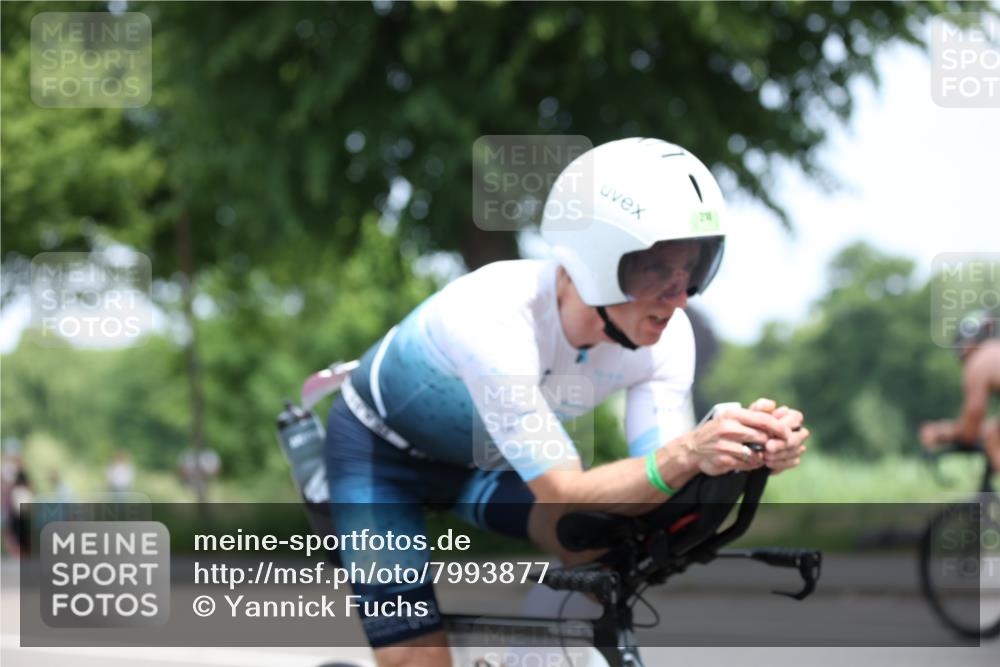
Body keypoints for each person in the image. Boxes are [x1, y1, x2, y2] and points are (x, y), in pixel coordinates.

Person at [323, 137, 810, 667]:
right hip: (379, 457)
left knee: (610, 546)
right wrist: (692, 451)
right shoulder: (494, 317)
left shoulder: (667, 338)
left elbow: (667, 478)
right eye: (659, 270)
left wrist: (742, 447)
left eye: (695, 268)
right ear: (597, 262)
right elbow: (565, 493)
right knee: (416, 658)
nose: (681, 296)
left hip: (483, 458)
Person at [920, 309, 1000, 473]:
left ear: (968, 343)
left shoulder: (979, 362)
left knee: (994, 440)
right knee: (994, 432)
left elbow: (970, 431)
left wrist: (943, 432)